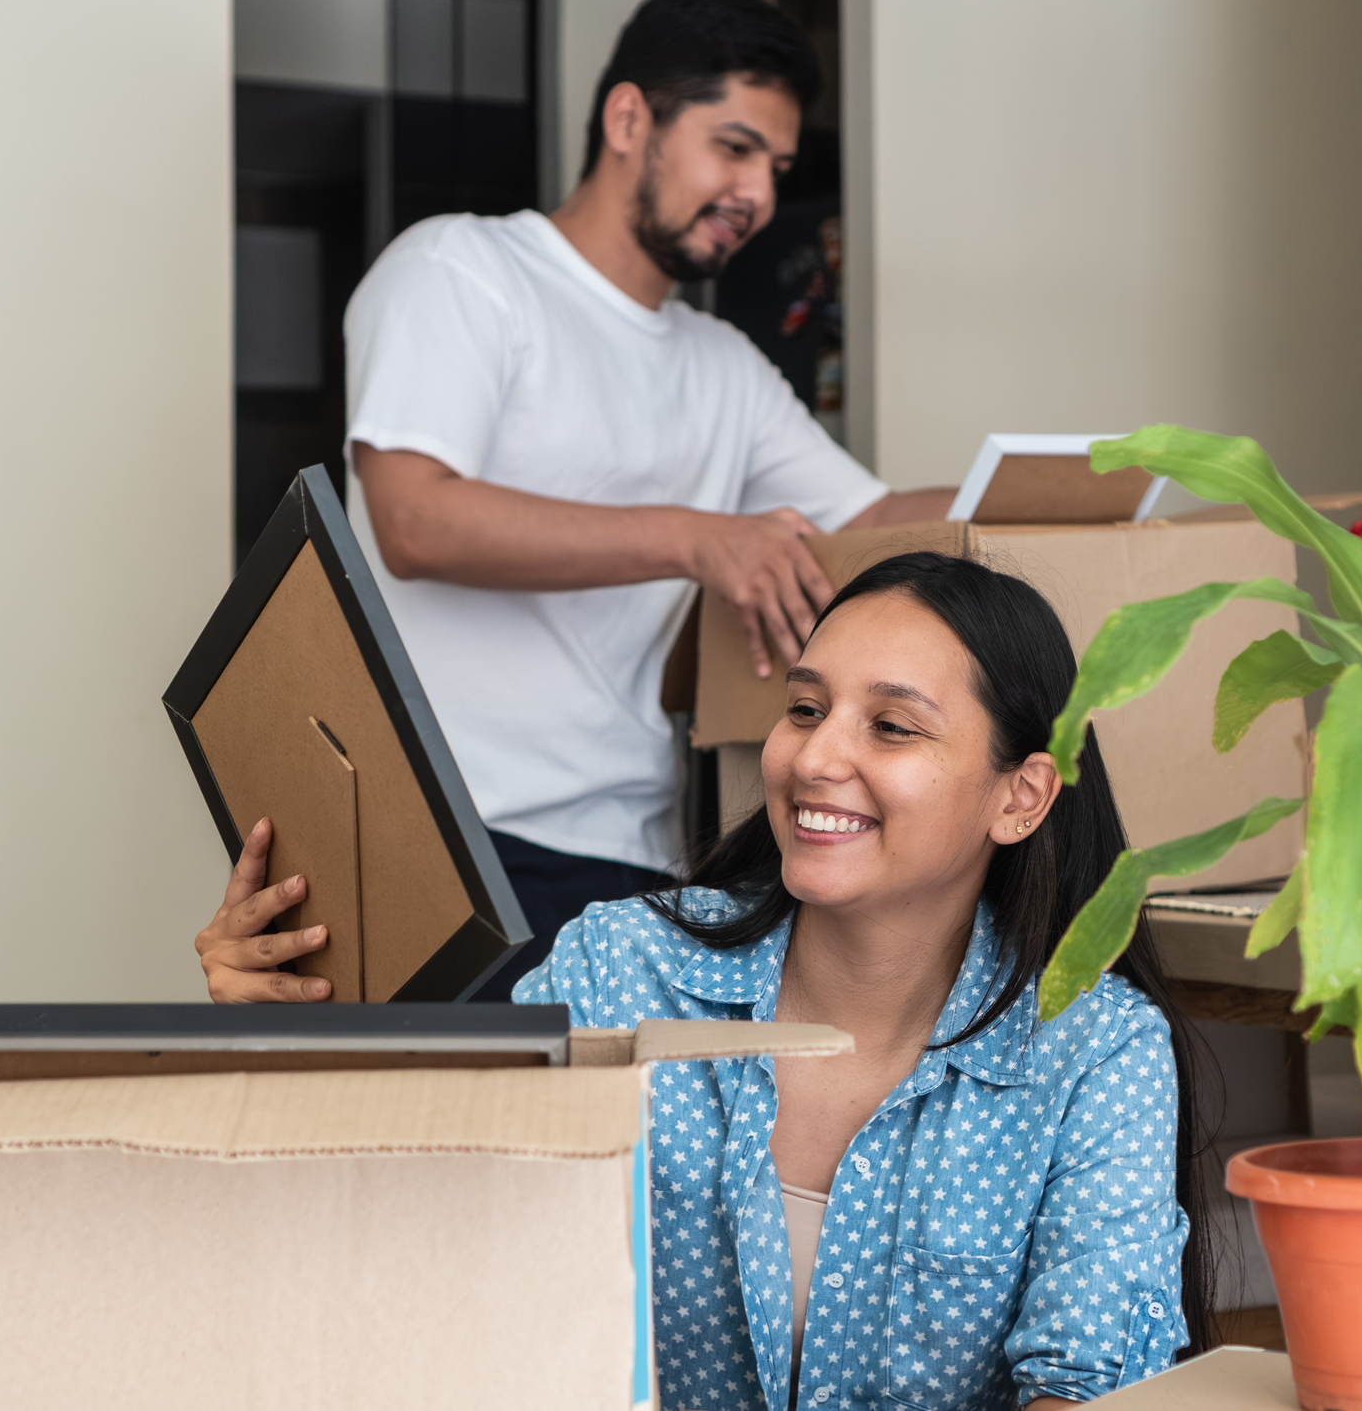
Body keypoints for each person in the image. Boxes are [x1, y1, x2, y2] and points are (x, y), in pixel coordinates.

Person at [195, 553, 1217, 1408]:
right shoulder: (620, 967)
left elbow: (1087, 1384)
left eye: (890, 726)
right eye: (805, 707)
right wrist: (272, 1041)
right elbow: (427, 1227)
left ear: (1021, 796)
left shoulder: (1094, 1048)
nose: (817, 755)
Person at [336, 0, 953, 999]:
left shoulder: (724, 365)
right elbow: (414, 518)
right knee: (466, 1150)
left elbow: (875, 521)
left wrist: (1077, 483)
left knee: (615, 1157)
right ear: (631, 122)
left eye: (777, 171)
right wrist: (695, 538)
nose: (755, 194)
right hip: (449, 843)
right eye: (735, 148)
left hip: (640, 860)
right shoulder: (462, 271)